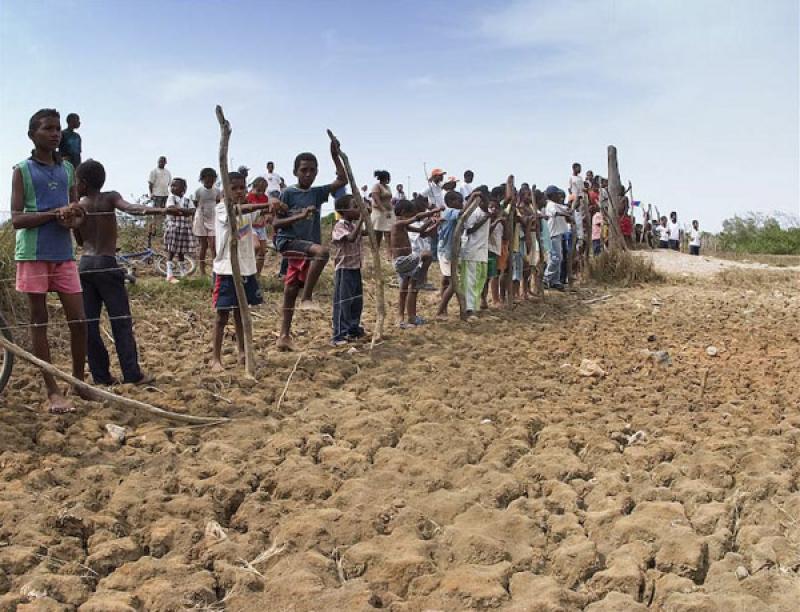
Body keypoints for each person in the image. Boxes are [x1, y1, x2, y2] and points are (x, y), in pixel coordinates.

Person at [11, 108, 89, 414]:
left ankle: (79, 383)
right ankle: (52, 390)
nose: (55, 133)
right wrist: (51, 215)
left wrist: (73, 218)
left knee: (79, 321)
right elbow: (17, 218)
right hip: (33, 254)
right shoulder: (22, 170)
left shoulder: (67, 169)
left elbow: (75, 210)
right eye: (48, 128)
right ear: (32, 134)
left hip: (63, 254)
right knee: (39, 320)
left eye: (57, 128)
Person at [73, 159, 171, 386]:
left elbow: (79, 240)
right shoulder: (109, 197)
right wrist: (162, 209)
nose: (76, 185)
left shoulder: (79, 205)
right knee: (121, 322)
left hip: (86, 265)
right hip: (107, 264)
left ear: (84, 183)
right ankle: (132, 374)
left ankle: (101, 375)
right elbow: (131, 208)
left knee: (90, 324)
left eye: (77, 181)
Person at [272, 141, 347, 351]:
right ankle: (307, 297)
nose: (308, 174)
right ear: (295, 171)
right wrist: (300, 216)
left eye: (312, 170)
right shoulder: (287, 193)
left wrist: (335, 156)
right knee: (322, 252)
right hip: (289, 242)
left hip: (306, 246)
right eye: (304, 170)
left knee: (290, 289)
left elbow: (342, 180)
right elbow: (276, 224)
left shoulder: (316, 193)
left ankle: (284, 336)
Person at [211, 172, 274, 372]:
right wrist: (264, 205)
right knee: (222, 315)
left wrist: (272, 205)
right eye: (234, 188)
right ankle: (215, 358)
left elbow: (257, 215)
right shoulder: (222, 208)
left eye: (242, 188)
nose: (239, 191)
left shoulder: (247, 210)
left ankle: (242, 352)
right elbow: (239, 211)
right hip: (226, 270)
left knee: (242, 313)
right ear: (225, 190)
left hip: (246, 269)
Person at [390, 199, 434, 328]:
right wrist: (434, 211)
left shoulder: (403, 225)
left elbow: (421, 230)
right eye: (411, 213)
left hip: (406, 260)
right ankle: (421, 278)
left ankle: (406, 317)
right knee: (426, 255)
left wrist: (431, 221)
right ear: (404, 212)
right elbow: (417, 218)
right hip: (402, 261)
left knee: (405, 288)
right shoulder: (398, 224)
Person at [331, 195, 366, 346]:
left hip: (355, 267)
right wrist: (363, 219)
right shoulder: (340, 226)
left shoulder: (353, 225)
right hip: (344, 269)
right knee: (343, 301)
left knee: (356, 300)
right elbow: (351, 238)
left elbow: (363, 233)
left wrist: (366, 220)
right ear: (344, 211)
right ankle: (339, 333)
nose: (358, 209)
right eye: (355, 206)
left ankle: (352, 328)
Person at [459, 190, 491, 316]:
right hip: (472, 251)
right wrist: (484, 219)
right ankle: (469, 307)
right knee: (470, 281)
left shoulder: (485, 213)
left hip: (482, 252)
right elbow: (469, 229)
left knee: (480, 279)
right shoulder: (475, 212)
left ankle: (475, 306)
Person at [435, 190, 466, 318]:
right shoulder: (450, 212)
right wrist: (473, 199)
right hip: (446, 252)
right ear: (451, 202)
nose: (462, 204)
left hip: (447, 251)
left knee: (447, 281)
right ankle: (441, 310)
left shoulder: (448, 213)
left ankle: (444, 310)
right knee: (454, 283)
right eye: (460, 201)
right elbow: (463, 213)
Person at [163, 178, 196, 283]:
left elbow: (192, 211)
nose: (172, 188)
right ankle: (169, 274)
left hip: (184, 228)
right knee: (171, 251)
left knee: (182, 252)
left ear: (184, 188)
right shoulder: (171, 198)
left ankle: (183, 273)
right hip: (174, 227)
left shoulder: (187, 200)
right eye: (171, 186)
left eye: (175, 186)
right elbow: (171, 209)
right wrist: (184, 211)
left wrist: (179, 210)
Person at [193, 167, 221, 276]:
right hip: (201, 217)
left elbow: (219, 203)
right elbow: (196, 205)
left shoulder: (217, 191)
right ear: (202, 179)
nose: (209, 181)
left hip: (213, 218)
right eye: (207, 179)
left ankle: (216, 270)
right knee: (203, 246)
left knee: (213, 245)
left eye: (212, 179)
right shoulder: (199, 191)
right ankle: (202, 270)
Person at [543, 185, 571, 290]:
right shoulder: (551, 205)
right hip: (553, 234)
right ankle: (546, 278)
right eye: (557, 194)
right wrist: (565, 213)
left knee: (559, 258)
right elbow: (557, 213)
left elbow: (567, 209)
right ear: (552, 195)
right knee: (555, 258)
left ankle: (555, 281)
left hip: (558, 234)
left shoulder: (557, 204)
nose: (559, 196)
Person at [247, 177, 274, 276]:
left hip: (261, 226)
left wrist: (267, 216)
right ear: (253, 187)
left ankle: (257, 275)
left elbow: (267, 211)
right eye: (258, 190)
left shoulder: (265, 198)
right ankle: (248, 267)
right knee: (256, 246)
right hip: (251, 226)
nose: (260, 193)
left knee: (262, 252)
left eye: (263, 191)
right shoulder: (248, 197)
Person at [370, 170, 395, 259]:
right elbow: (376, 199)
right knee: (378, 234)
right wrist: (383, 210)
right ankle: (375, 255)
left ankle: (389, 255)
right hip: (379, 213)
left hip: (389, 212)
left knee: (389, 233)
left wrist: (391, 210)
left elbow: (389, 200)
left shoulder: (388, 187)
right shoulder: (376, 187)